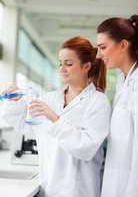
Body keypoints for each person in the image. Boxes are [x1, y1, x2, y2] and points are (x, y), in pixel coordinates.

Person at [2, 36, 110, 197]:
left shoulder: (98, 102)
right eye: (60, 63)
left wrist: (54, 118)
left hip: (79, 191)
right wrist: (14, 102)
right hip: (49, 187)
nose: (62, 68)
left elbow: (86, 148)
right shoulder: (50, 98)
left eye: (69, 64)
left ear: (86, 66)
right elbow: (26, 128)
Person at [97, 15, 138, 197]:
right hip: (116, 183)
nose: (99, 55)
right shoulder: (123, 81)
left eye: (103, 47)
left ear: (123, 45)